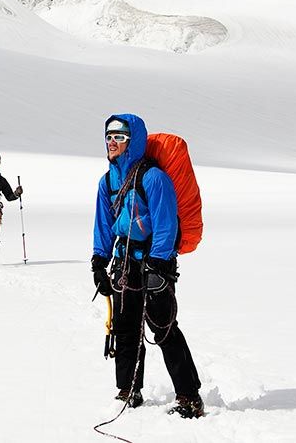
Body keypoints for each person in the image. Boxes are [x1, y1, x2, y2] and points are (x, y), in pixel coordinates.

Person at [91, 114, 204, 418]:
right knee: (125, 327)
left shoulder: (154, 178)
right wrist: (99, 261)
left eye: (120, 137)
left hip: (155, 263)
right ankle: (128, 389)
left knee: (163, 328)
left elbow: (166, 223)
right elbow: (103, 224)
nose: (112, 142)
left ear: (133, 141)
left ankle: (189, 396)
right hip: (124, 262)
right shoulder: (108, 181)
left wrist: (157, 263)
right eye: (109, 136)